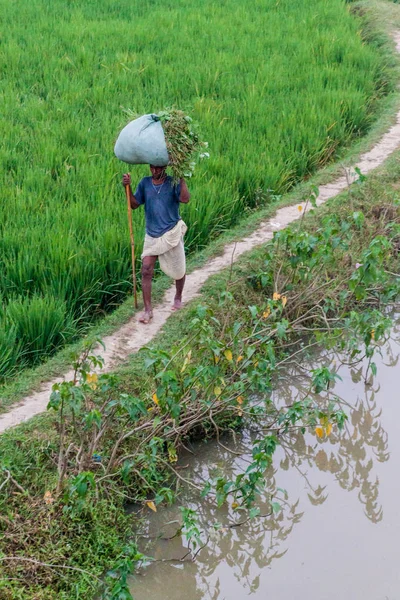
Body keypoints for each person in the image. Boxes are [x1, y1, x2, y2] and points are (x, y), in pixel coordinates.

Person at [122, 166, 190, 324]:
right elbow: (134, 204)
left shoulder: (173, 182)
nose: (154, 170)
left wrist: (181, 178)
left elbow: (185, 199)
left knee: (179, 269)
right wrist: (128, 187)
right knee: (146, 269)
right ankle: (148, 310)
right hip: (152, 234)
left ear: (165, 166)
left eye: (158, 167)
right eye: (152, 167)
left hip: (171, 232)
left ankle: (178, 297)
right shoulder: (145, 183)